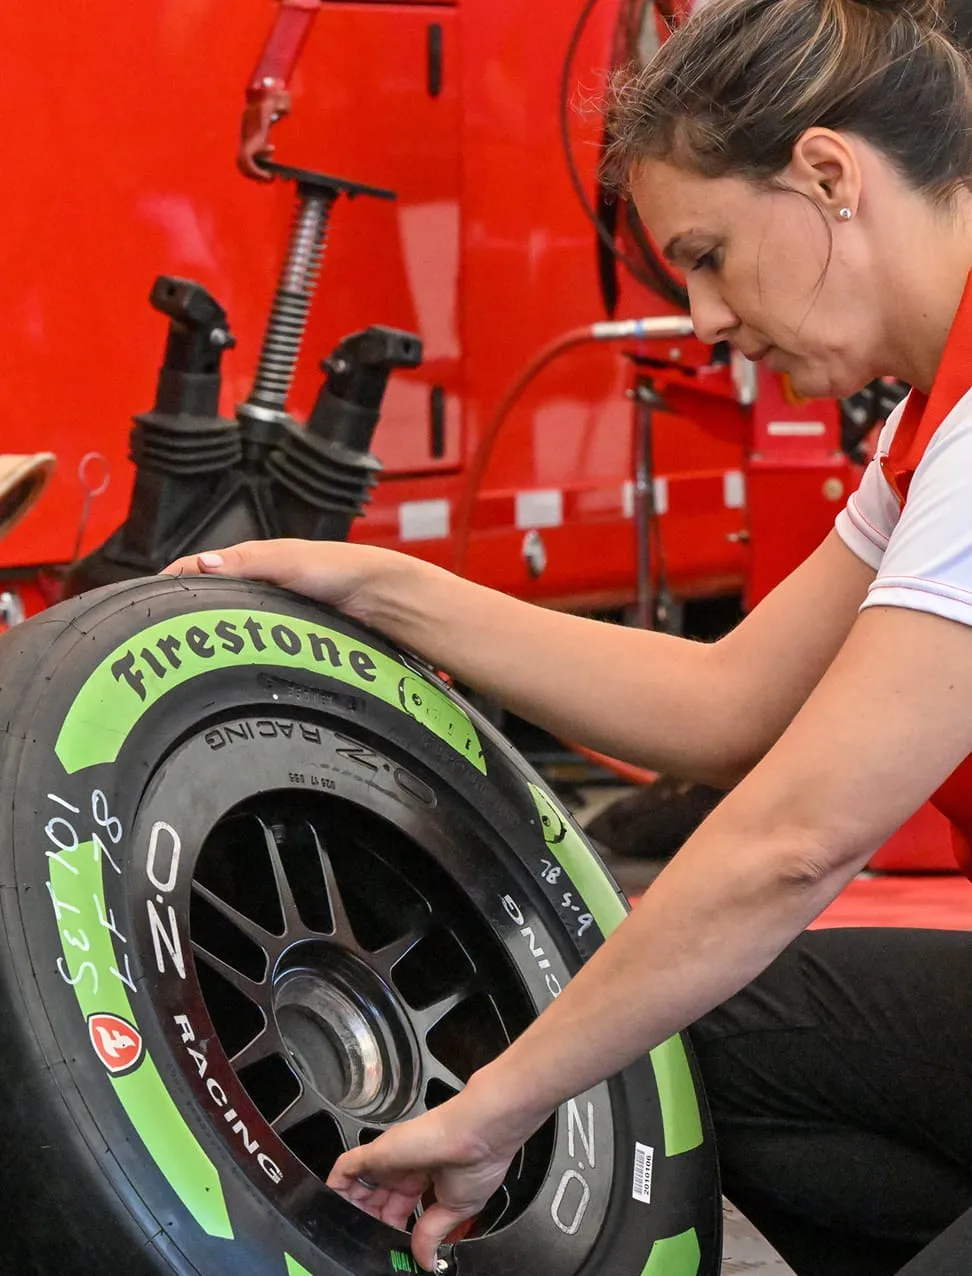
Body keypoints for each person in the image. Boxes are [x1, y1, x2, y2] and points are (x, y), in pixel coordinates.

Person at [169, 0, 972, 1270]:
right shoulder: (931, 421)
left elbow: (794, 842)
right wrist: (386, 587)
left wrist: (499, 1105)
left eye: (707, 253)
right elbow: (725, 701)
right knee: (693, 1044)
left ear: (828, 175)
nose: (704, 318)